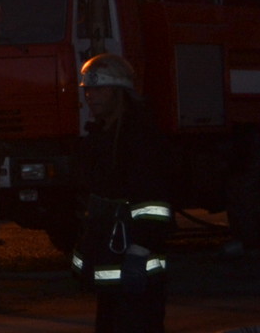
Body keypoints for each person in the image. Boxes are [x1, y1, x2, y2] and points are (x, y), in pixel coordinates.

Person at [71, 53, 173, 333]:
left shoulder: (139, 137)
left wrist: (140, 249)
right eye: (88, 89)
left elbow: (154, 202)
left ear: (120, 92)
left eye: (100, 88)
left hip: (136, 265)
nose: (91, 96)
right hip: (111, 265)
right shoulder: (100, 136)